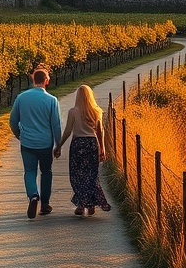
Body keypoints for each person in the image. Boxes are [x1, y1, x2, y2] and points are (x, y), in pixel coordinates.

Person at [9, 67, 62, 219]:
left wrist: (19, 135)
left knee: (30, 172)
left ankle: (33, 196)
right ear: (46, 81)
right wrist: (58, 144)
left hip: (27, 143)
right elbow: (56, 125)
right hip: (45, 143)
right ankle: (45, 203)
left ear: (33, 80)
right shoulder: (52, 100)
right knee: (46, 172)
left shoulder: (21, 98)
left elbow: (13, 121)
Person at [55, 84, 111, 217]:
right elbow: (100, 131)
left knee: (77, 175)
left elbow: (68, 131)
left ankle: (81, 204)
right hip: (92, 144)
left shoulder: (73, 111)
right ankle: (91, 204)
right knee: (91, 175)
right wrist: (102, 148)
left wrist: (59, 145)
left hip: (78, 144)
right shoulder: (97, 111)